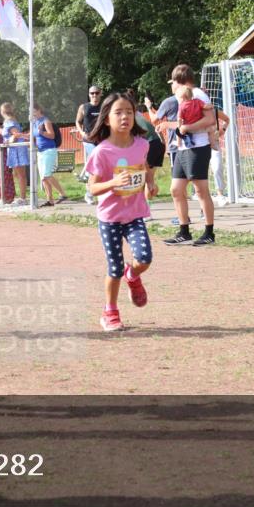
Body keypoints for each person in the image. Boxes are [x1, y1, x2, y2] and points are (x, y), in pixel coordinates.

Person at [85, 92, 157, 332]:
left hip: (135, 215)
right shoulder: (102, 152)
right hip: (110, 218)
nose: (125, 117)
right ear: (107, 119)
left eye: (129, 111)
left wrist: (150, 183)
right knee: (114, 267)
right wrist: (112, 184)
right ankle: (110, 312)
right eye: (118, 112)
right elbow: (92, 188)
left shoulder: (142, 144)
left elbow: (144, 166)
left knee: (144, 258)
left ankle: (133, 276)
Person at [160, 65, 217, 245]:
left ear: (180, 81)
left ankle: (209, 232)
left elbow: (210, 119)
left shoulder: (198, 95)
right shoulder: (182, 97)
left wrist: (187, 128)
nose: (172, 86)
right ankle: (184, 231)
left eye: (173, 82)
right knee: (176, 190)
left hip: (198, 147)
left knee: (200, 190)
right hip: (183, 148)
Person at [31, 105, 68, 206]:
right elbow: (33, 136)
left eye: (33, 111)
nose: (31, 114)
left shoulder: (46, 121)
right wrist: (20, 135)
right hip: (40, 152)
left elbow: (52, 135)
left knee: (47, 175)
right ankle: (50, 200)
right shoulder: (34, 123)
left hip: (49, 151)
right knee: (43, 178)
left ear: (39, 110)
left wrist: (42, 132)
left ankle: (63, 194)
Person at [76, 85, 103, 204]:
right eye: (92, 93)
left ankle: (92, 191)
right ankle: (90, 192)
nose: (94, 95)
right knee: (97, 164)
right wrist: (82, 132)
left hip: (102, 140)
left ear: (100, 94)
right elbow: (78, 121)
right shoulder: (84, 107)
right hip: (89, 141)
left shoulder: (105, 107)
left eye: (97, 93)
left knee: (100, 167)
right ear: (89, 94)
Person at [2, 102, 30, 204]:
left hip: (16, 149)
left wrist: (9, 140)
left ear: (3, 111)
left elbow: (16, 134)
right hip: (16, 149)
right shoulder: (12, 120)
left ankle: (23, 198)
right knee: (19, 174)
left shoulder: (9, 122)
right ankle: (23, 197)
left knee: (21, 174)